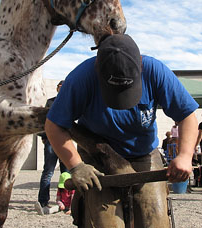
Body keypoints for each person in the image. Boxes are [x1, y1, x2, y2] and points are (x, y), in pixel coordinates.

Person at [45, 34, 199, 227]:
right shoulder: (80, 78)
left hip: (143, 154)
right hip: (97, 157)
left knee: (154, 221)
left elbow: (187, 116)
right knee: (104, 223)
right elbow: (54, 125)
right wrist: (76, 165)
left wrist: (185, 155)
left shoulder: (155, 71)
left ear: (140, 64)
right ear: (97, 69)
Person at [35, 80, 69, 215]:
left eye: (63, 87)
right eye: (60, 87)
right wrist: (43, 137)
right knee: (48, 171)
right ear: (57, 88)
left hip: (65, 142)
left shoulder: (69, 103)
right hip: (51, 141)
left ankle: (66, 203)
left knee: (65, 174)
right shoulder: (50, 102)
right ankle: (43, 201)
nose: (61, 89)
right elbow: (44, 121)